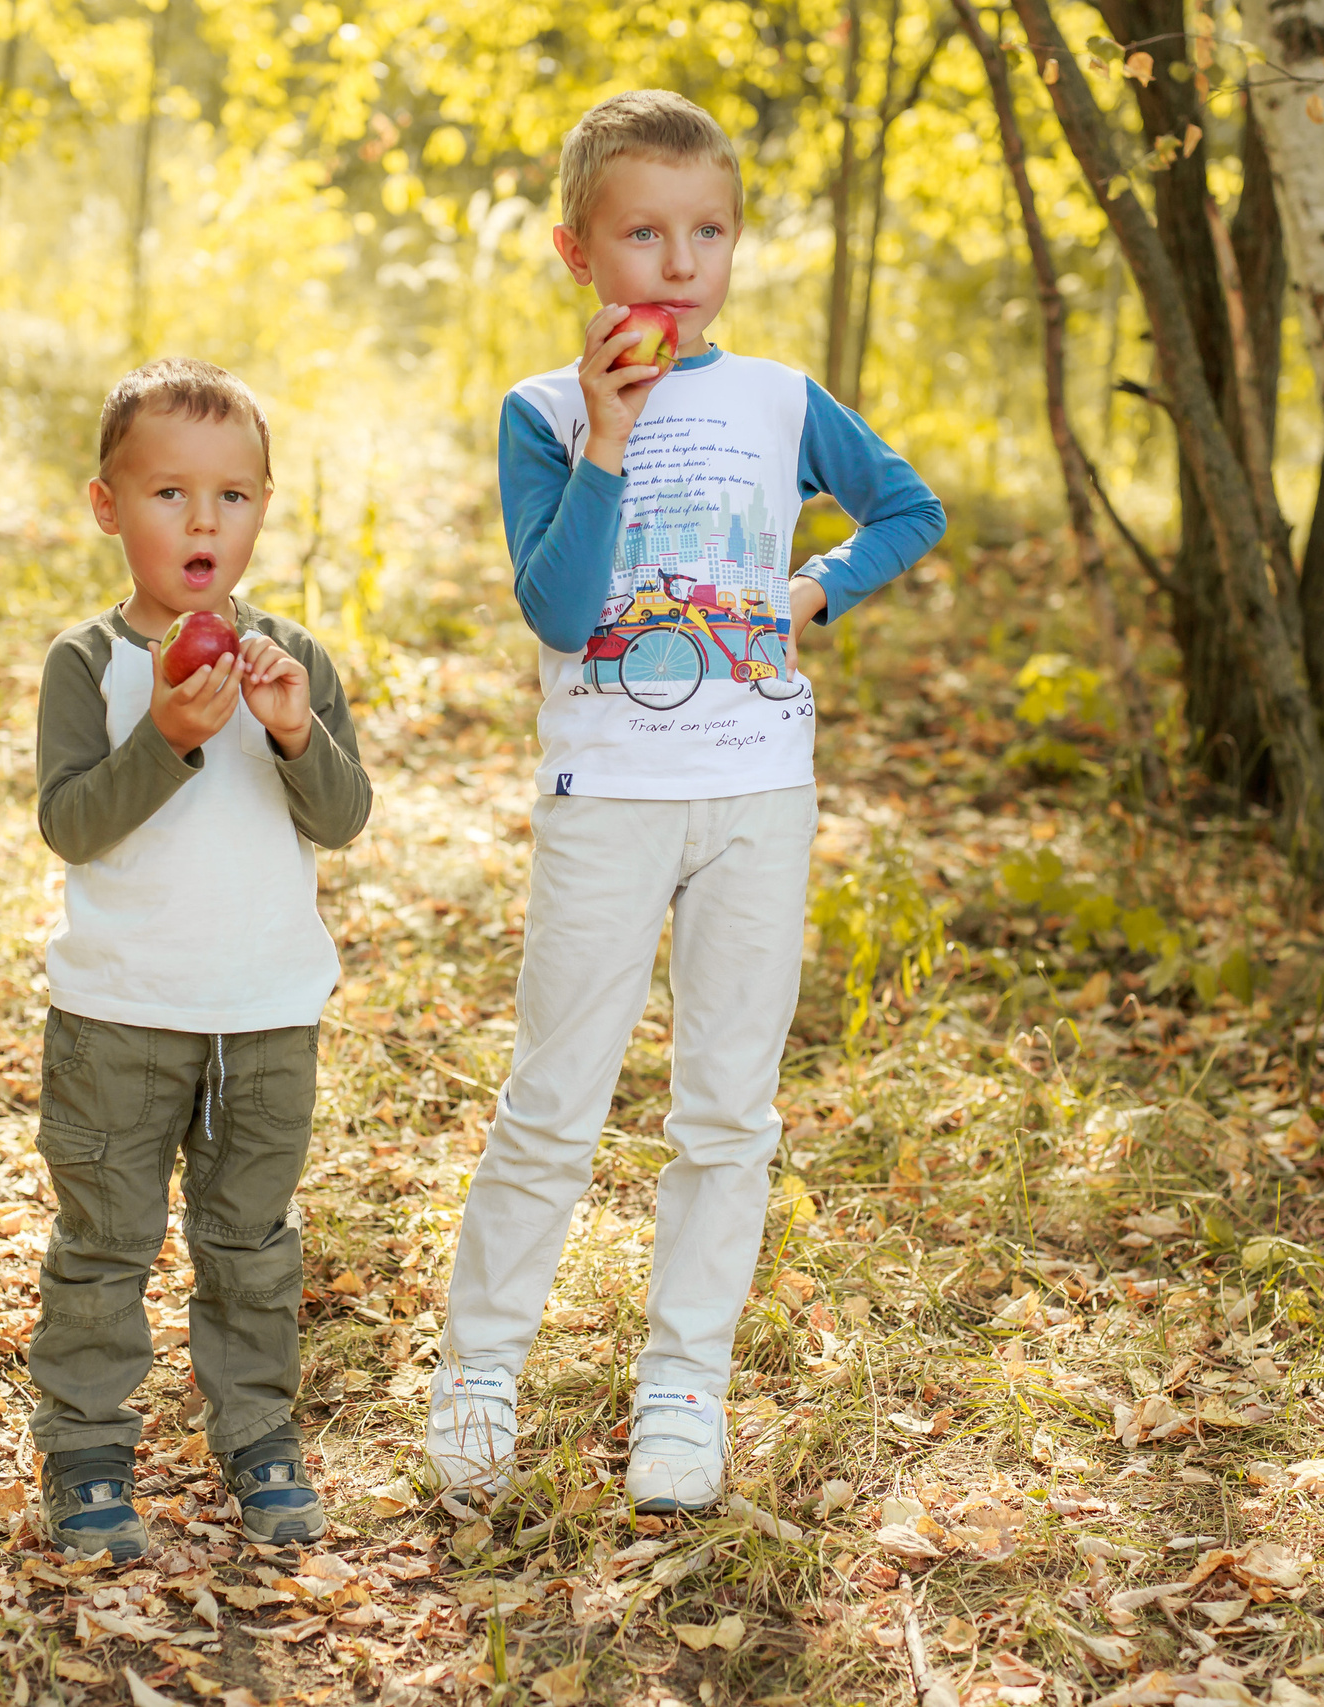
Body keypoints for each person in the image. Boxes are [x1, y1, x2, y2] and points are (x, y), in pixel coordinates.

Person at [426, 90, 945, 1512]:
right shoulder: (542, 413)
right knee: (554, 1097)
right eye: (644, 232)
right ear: (577, 252)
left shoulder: (780, 397)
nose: (677, 260)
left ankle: (684, 1383)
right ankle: (480, 1371)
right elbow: (555, 606)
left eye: (705, 231)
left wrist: (816, 586)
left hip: (757, 795)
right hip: (608, 795)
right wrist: (605, 433)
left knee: (729, 1106)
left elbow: (910, 508)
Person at [28, 358, 371, 1557]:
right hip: (121, 1012)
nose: (203, 521)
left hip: (268, 1011)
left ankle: (257, 1433)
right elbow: (71, 823)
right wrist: (166, 738)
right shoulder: (91, 665)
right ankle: (83, 1447)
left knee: (251, 1241)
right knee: (105, 1240)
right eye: (170, 493)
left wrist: (291, 732)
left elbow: (340, 817)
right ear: (108, 508)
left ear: (263, 507)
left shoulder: (292, 660)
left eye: (232, 496)